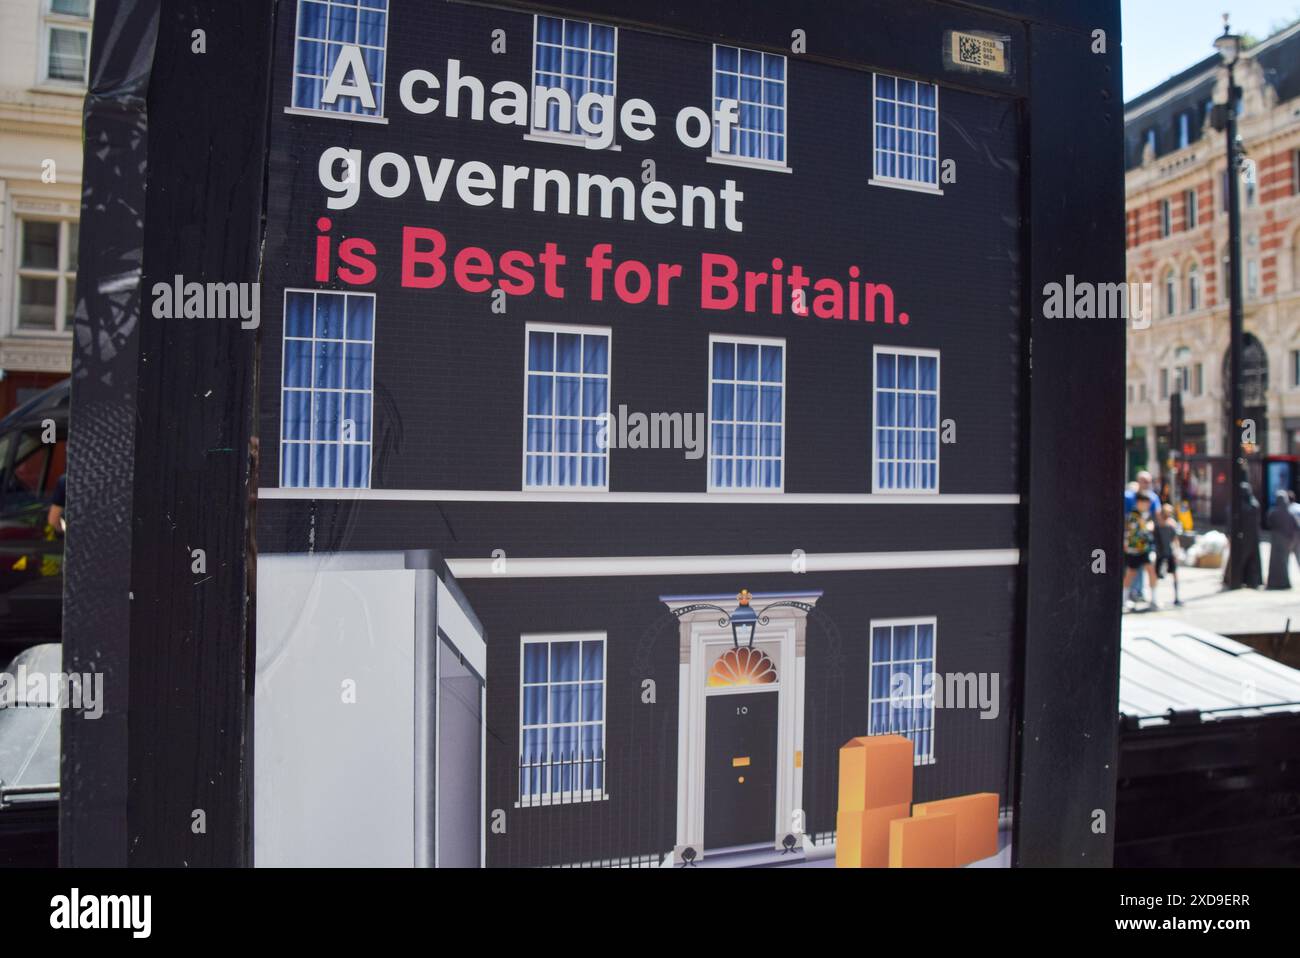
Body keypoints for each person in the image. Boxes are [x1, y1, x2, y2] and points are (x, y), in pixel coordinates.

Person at [1124, 472, 1160, 602]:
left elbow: (1157, 517)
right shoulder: (1128, 498)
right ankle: (1130, 595)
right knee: (1132, 571)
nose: (1146, 484)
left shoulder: (1153, 498)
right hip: (1133, 543)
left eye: (1148, 481)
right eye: (1144, 481)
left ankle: (1147, 595)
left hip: (1146, 544)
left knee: (1149, 569)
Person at [1227, 481, 1264, 589]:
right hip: (1253, 537)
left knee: (1239, 559)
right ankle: (1252, 581)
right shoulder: (1255, 504)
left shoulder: (1239, 506)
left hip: (1241, 537)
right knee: (1252, 560)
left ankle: (1237, 579)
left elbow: (1233, 522)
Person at [1265, 490, 1299, 589]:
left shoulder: (1273, 512)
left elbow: (1268, 523)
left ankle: (1274, 582)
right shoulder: (1290, 513)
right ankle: (1284, 583)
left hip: (1276, 541)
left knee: (1275, 563)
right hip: (1287, 541)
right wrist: (1293, 541)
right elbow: (1296, 528)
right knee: (1284, 562)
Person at [1153, 503, 1183, 606]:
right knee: (1155, 575)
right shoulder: (1157, 525)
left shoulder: (1171, 526)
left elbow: (1175, 540)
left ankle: (1176, 597)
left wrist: (1177, 552)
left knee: (1174, 574)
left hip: (1169, 552)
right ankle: (1154, 598)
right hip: (1160, 553)